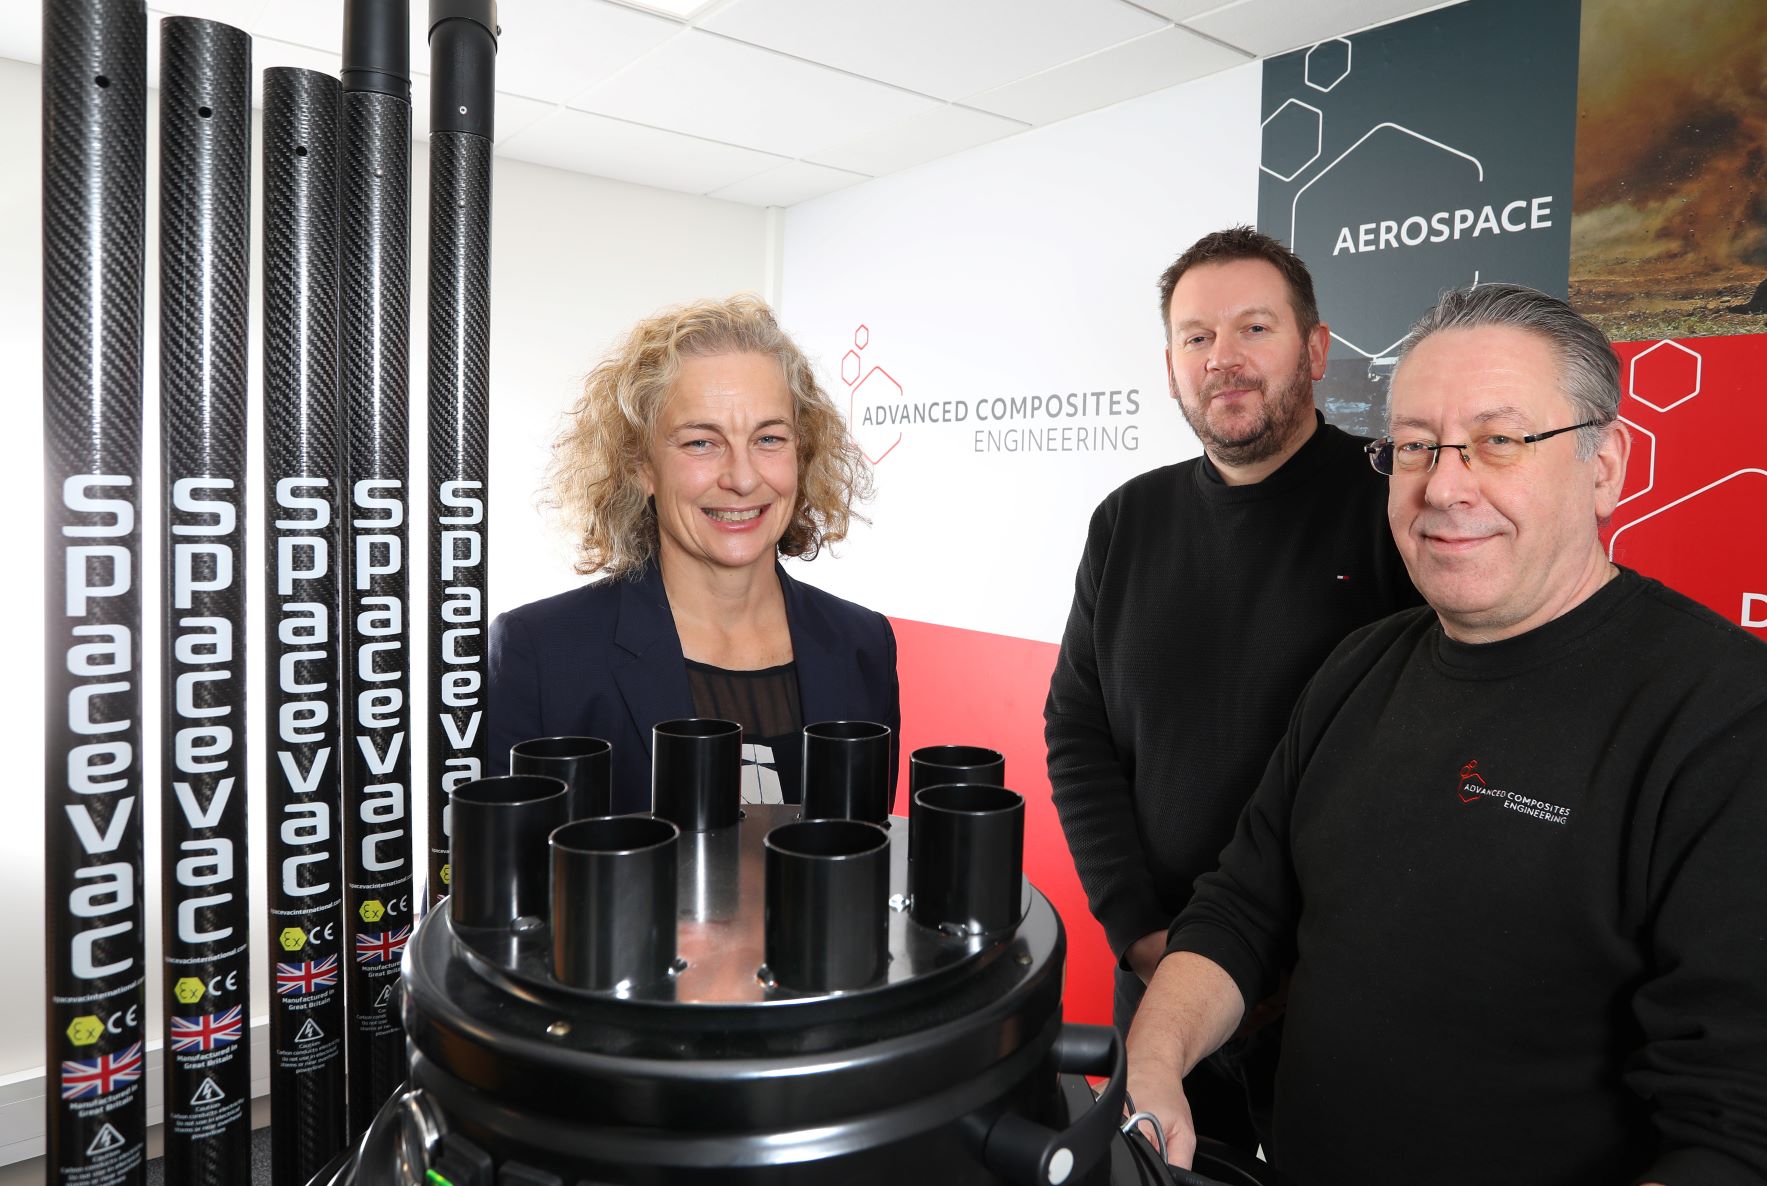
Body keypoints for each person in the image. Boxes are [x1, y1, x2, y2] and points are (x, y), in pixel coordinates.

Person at [1126, 283, 1767, 1186]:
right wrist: (1151, 1065)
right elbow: (1242, 909)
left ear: (1605, 465)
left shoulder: (1725, 717)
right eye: (1417, 446)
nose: (1445, 485)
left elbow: (1733, 1129)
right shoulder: (1358, 668)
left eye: (1499, 441)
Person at [1044, 228, 1419, 1152]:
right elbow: (1076, 729)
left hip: (1334, 989)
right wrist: (1138, 933)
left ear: (1316, 349)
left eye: (1254, 328)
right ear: (1170, 366)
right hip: (1162, 972)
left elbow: (1430, 762)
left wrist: (1293, 963)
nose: (1224, 359)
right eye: (1196, 337)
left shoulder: (1401, 508)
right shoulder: (1127, 518)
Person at [488, 295, 899, 813]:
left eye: (769, 438)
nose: (743, 477)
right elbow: (506, 876)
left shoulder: (864, 645)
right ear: (640, 465)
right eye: (702, 443)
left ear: (803, 452)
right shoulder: (542, 652)